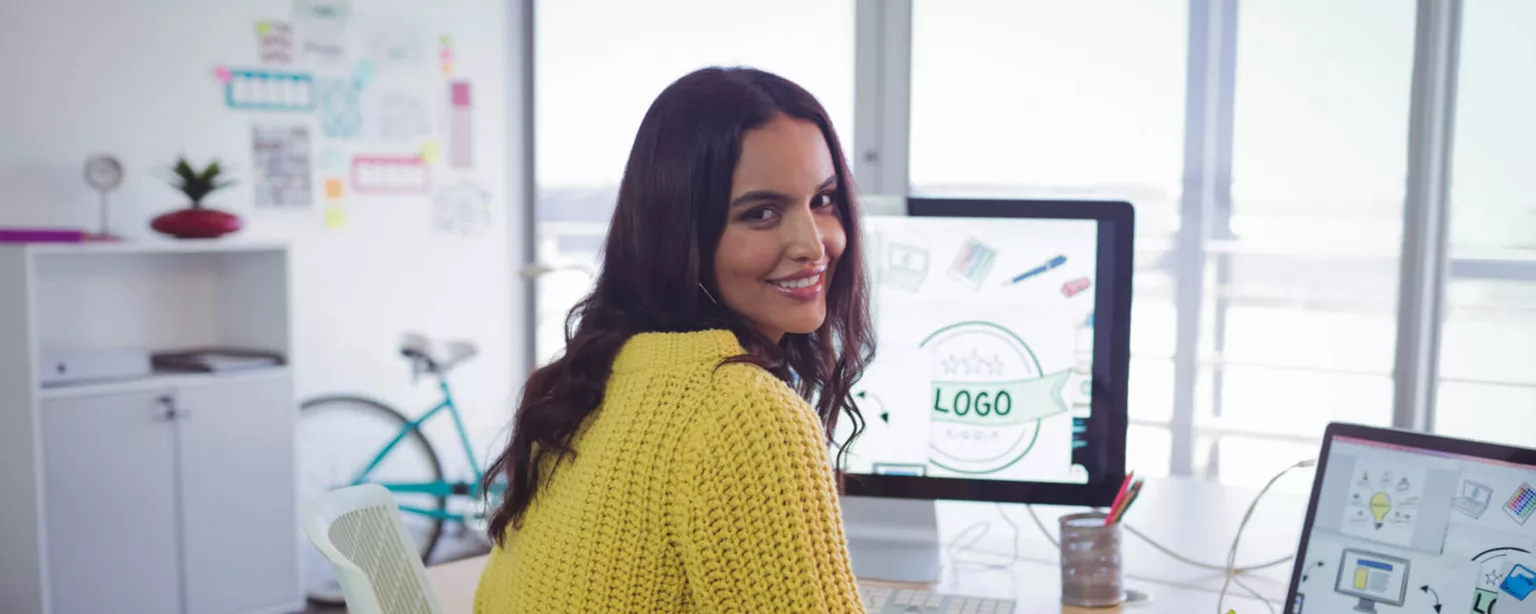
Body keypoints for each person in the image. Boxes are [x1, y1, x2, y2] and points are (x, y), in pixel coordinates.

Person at [473, 66, 875, 613]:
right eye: (761, 213)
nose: (813, 244)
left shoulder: (600, 374)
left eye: (823, 201)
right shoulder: (742, 415)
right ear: (680, 234)